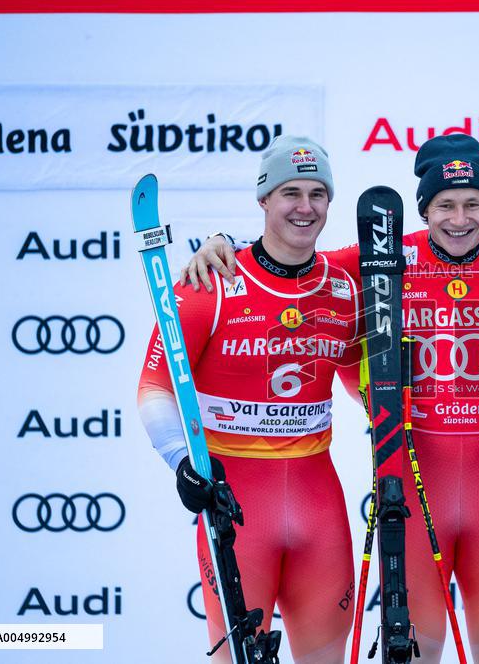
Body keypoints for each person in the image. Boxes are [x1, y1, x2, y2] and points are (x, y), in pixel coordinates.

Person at [183, 134, 479, 664]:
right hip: (412, 484)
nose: (459, 219)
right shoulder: (380, 258)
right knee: (418, 650)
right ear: (423, 207)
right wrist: (222, 242)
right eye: (444, 205)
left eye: (473, 204)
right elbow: (291, 258)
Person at [138, 136, 362, 664]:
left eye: (317, 194)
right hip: (236, 509)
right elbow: (153, 389)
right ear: (263, 200)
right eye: (290, 193)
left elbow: (358, 376)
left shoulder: (345, 282)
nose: (304, 207)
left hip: (319, 508)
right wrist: (180, 462)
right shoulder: (208, 282)